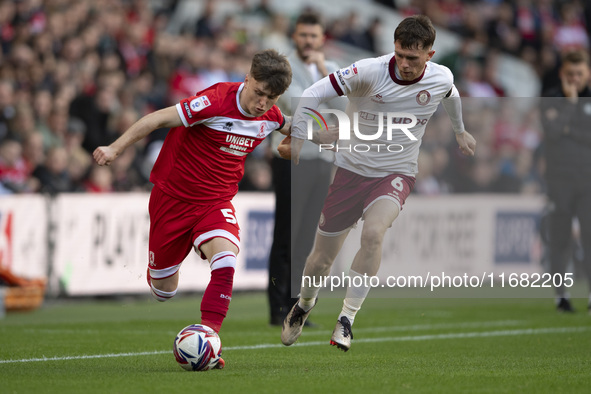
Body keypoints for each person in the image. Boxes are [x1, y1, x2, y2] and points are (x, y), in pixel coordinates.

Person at [279, 15, 476, 351]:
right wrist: (299, 133)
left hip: (396, 173)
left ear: (430, 55)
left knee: (373, 234)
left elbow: (451, 94)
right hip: (350, 171)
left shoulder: (441, 77)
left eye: (413, 58)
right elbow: (313, 92)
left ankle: (346, 319)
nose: (404, 63)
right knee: (320, 260)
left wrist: (459, 130)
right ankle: (305, 305)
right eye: (399, 54)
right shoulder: (368, 71)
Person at [94, 49, 292, 368]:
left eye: (271, 98)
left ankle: (209, 337)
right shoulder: (214, 101)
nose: (262, 104)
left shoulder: (270, 116)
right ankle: (162, 271)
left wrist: (325, 137)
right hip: (172, 199)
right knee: (164, 290)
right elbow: (156, 118)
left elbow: (293, 126)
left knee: (227, 259)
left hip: (215, 202)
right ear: (247, 78)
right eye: (259, 93)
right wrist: (114, 148)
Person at [267, 12, 343, 326]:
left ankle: (295, 306)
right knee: (286, 233)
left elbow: (345, 110)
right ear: (294, 37)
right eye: (303, 35)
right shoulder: (284, 69)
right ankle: (277, 307)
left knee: (306, 239)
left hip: (322, 160)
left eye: (313, 36)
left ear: (322, 38)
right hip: (291, 158)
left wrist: (325, 74)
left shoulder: (333, 70)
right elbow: (296, 106)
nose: (308, 41)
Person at [541, 49, 591, 313]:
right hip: (559, 182)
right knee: (559, 242)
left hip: (588, 183)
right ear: (562, 73)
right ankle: (561, 296)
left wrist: (569, 129)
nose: (574, 79)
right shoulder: (550, 99)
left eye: (579, 73)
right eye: (569, 74)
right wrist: (571, 107)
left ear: (588, 73)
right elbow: (552, 131)